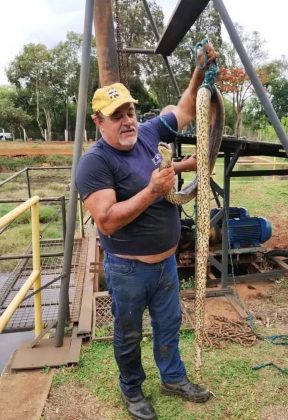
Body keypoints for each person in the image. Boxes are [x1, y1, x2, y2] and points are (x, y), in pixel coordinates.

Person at [75, 42, 218, 420]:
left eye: (130, 111)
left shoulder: (150, 133)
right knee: (129, 334)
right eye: (116, 115)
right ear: (98, 121)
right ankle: (133, 390)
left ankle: (173, 378)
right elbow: (106, 219)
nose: (127, 121)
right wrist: (153, 190)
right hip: (128, 269)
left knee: (169, 324)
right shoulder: (94, 163)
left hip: (166, 264)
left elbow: (186, 109)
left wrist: (197, 77)